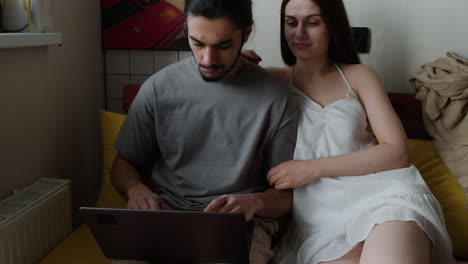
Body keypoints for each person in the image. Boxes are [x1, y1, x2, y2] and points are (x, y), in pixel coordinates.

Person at [242, 0, 455, 263]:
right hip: (319, 220)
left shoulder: (359, 76)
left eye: (312, 22)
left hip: (384, 198)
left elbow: (397, 152)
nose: (299, 32)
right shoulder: (269, 82)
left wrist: (310, 168)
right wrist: (235, 62)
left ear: (332, 25)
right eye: (291, 22)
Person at [110, 0, 298, 263]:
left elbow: (286, 195)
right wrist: (134, 189)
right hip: (167, 215)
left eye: (223, 46)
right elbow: (123, 165)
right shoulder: (158, 88)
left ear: (246, 33)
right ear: (186, 29)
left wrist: (254, 202)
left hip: (241, 221)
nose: (208, 59)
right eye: (198, 43)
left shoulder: (277, 99)